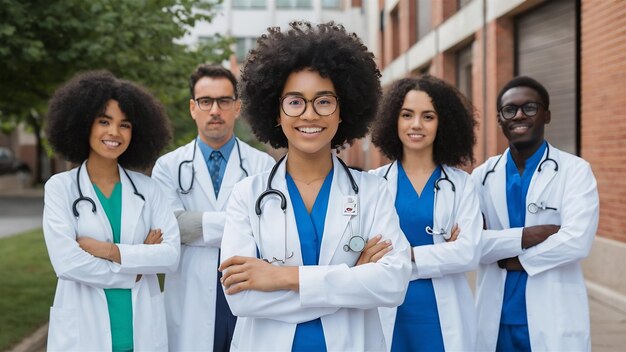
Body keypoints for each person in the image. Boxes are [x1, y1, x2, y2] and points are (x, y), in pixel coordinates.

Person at [217, 21, 412, 351]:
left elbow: (393, 284)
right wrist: (351, 281)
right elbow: (242, 299)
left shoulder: (372, 192)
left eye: (324, 101)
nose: (310, 114)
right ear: (276, 113)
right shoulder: (247, 195)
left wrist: (282, 277)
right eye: (295, 102)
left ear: (342, 112)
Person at [43, 71, 180, 351]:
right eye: (104, 121)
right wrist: (137, 267)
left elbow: (170, 256)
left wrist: (108, 251)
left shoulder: (148, 189)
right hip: (84, 334)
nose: (114, 133)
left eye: (125, 124)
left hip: (140, 333)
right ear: (84, 125)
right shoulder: (61, 188)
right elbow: (67, 263)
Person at [151, 64, 275, 351]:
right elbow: (170, 227)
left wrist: (194, 227)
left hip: (247, 290)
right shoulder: (168, 167)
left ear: (237, 107)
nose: (215, 110)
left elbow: (269, 230)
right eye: (206, 101)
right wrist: (243, 224)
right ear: (193, 108)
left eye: (224, 101)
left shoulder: (263, 167)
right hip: (190, 295)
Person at [471, 76, 599, 351]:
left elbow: (576, 242)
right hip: (497, 316)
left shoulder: (574, 171)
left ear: (547, 115)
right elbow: (473, 245)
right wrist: (531, 235)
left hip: (553, 313)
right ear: (499, 119)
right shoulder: (481, 177)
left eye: (529, 107)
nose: (519, 115)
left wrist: (511, 259)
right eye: (510, 109)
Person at [370, 75, 482, 351]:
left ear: (443, 122)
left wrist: (402, 254)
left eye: (428, 116)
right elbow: (365, 253)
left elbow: (469, 253)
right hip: (388, 309)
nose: (416, 125)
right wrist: (442, 252)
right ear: (393, 120)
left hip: (443, 315)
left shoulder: (462, 184)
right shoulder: (373, 184)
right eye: (407, 115)